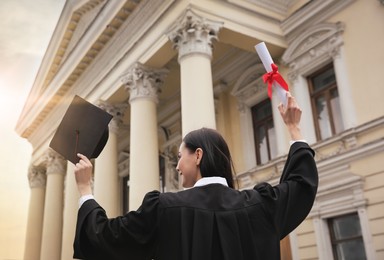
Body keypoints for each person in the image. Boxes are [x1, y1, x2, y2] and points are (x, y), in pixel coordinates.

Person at [73, 92, 318, 260]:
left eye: (180, 156)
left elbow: (105, 238)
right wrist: (294, 129)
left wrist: (85, 189)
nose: (177, 165)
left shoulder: (164, 209)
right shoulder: (261, 205)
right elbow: (300, 185)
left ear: (198, 155)